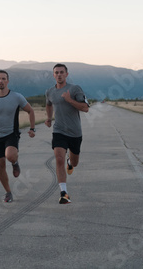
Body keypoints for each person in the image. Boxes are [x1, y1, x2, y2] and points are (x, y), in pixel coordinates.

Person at [0, 70, 36, 203]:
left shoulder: (17, 97)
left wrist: (32, 128)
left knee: (10, 155)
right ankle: (8, 192)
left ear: (7, 81)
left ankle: (15, 163)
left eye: (3, 79)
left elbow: (30, 110)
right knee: (0, 165)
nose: (1, 81)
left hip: (11, 133)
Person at [45, 63, 90, 204]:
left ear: (66, 74)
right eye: (56, 72)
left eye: (61, 72)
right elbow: (48, 104)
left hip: (75, 132)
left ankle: (70, 162)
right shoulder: (50, 92)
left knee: (75, 162)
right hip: (59, 131)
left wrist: (70, 100)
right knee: (59, 158)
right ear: (53, 75)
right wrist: (48, 118)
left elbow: (85, 108)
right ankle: (64, 193)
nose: (59, 75)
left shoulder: (74, 89)